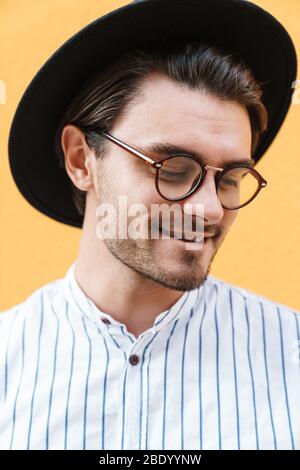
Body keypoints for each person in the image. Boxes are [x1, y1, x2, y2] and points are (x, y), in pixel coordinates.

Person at [1, 0, 299, 450]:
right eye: (173, 169)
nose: (210, 210)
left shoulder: (290, 352)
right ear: (82, 160)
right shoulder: (8, 362)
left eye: (231, 178)